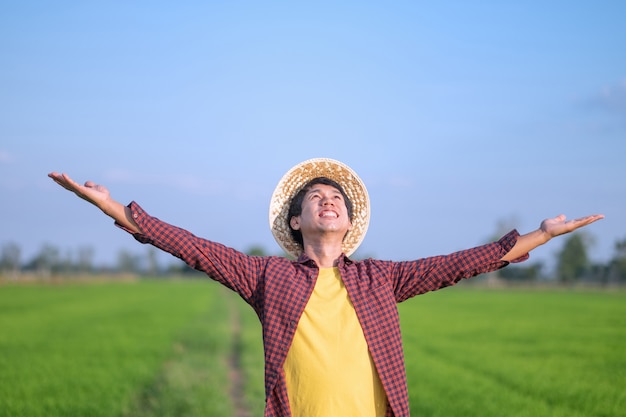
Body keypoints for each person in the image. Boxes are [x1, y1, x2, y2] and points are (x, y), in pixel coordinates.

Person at [48, 158, 604, 417]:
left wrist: (542, 234)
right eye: (315, 196)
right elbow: (193, 247)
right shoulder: (268, 276)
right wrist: (113, 207)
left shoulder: (381, 278)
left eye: (336, 196)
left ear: (347, 219)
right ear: (296, 222)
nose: (328, 199)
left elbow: (462, 263)